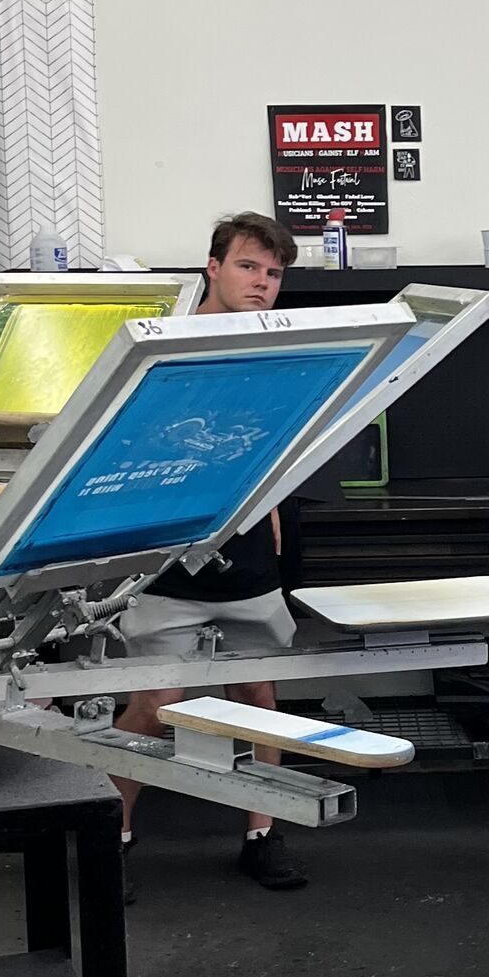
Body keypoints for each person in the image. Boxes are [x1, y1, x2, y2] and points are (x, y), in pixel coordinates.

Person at [112, 211, 308, 899]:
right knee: (157, 699)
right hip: (162, 552)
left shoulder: (274, 352)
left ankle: (262, 832)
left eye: (273, 273)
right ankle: (117, 836)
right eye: (248, 266)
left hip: (247, 550)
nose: (261, 283)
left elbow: (270, 443)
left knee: (255, 694)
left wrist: (273, 510)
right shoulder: (164, 344)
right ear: (213, 267)